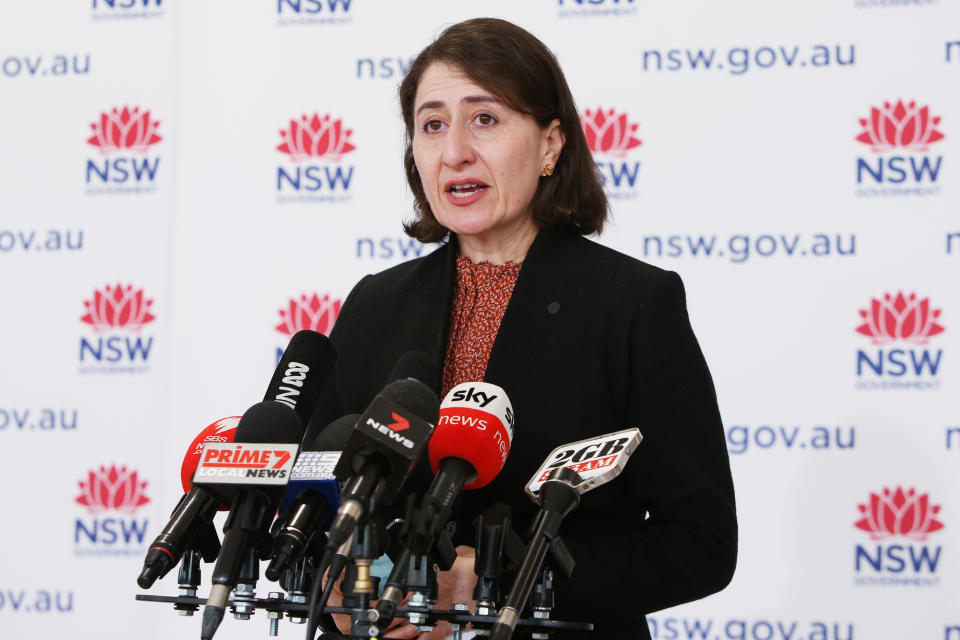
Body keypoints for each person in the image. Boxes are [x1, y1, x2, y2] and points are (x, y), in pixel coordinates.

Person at [305, 17, 737, 640]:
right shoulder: (376, 304)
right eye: (432, 125)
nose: (453, 150)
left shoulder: (634, 304)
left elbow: (699, 543)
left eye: (485, 119)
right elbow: (322, 498)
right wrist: (337, 584)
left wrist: (496, 586)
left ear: (551, 145)